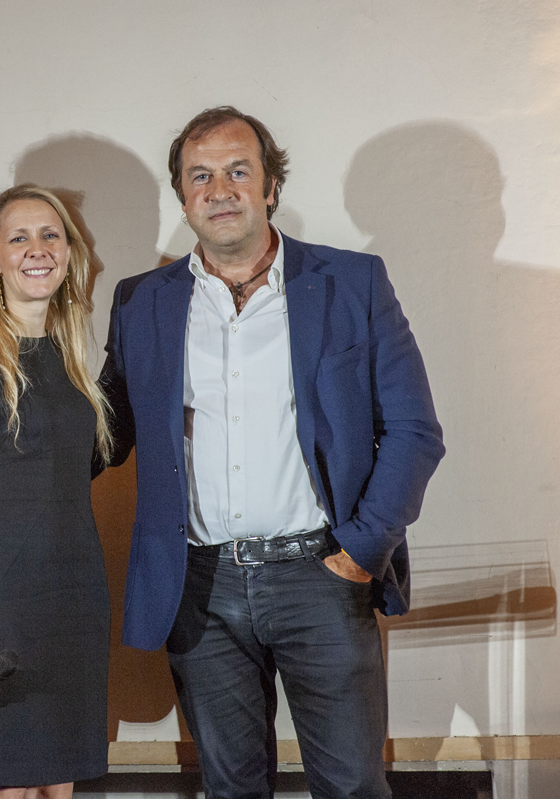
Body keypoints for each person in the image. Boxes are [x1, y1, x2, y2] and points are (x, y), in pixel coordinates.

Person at [98, 107, 445, 798]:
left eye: (238, 170)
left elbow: (414, 430)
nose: (220, 189)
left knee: (352, 786)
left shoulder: (352, 282)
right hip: (200, 586)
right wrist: (2, 465)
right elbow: (109, 428)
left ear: (270, 186)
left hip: (321, 577)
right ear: (182, 196)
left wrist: (361, 550)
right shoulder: (142, 301)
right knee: (231, 788)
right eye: (200, 176)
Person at [0, 185, 112, 797]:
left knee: (57, 786)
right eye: (19, 238)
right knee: (5, 786)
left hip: (75, 598)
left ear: (68, 252)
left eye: (50, 235)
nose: (37, 249)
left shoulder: (73, 358)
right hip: (1, 601)